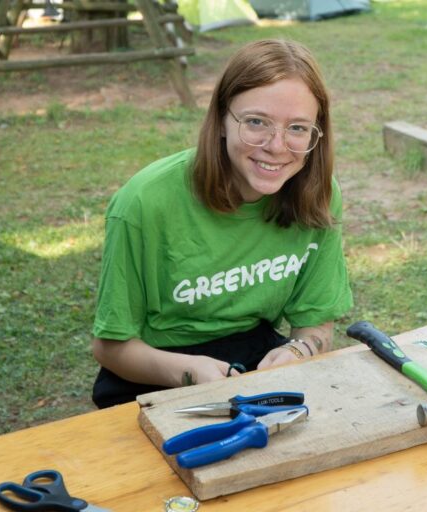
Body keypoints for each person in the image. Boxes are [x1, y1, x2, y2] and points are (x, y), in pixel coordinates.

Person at [90, 39, 353, 408]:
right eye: (256, 122)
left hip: (254, 356)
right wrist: (189, 373)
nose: (277, 146)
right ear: (222, 120)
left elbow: (316, 323)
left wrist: (300, 349)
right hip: (154, 366)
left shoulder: (317, 195)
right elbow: (111, 347)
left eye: (297, 128)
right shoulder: (144, 203)